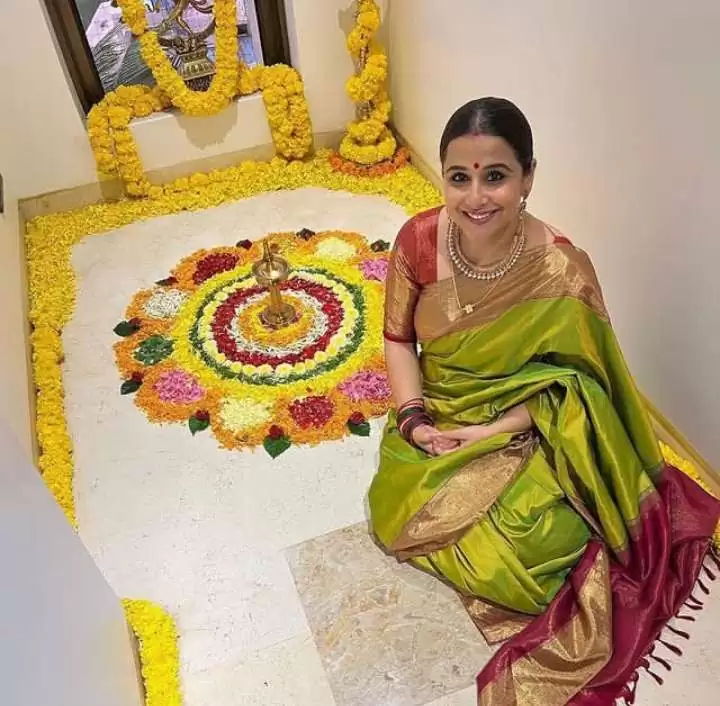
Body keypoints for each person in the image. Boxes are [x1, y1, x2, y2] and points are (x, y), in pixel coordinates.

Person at [368, 97, 720, 705]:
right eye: (460, 177)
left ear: (528, 177)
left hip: (525, 424)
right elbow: (398, 339)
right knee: (395, 516)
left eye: (496, 176)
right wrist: (415, 420)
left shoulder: (561, 269)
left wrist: (490, 433)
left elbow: (579, 386)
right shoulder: (419, 240)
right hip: (437, 414)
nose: (475, 197)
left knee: (544, 550)